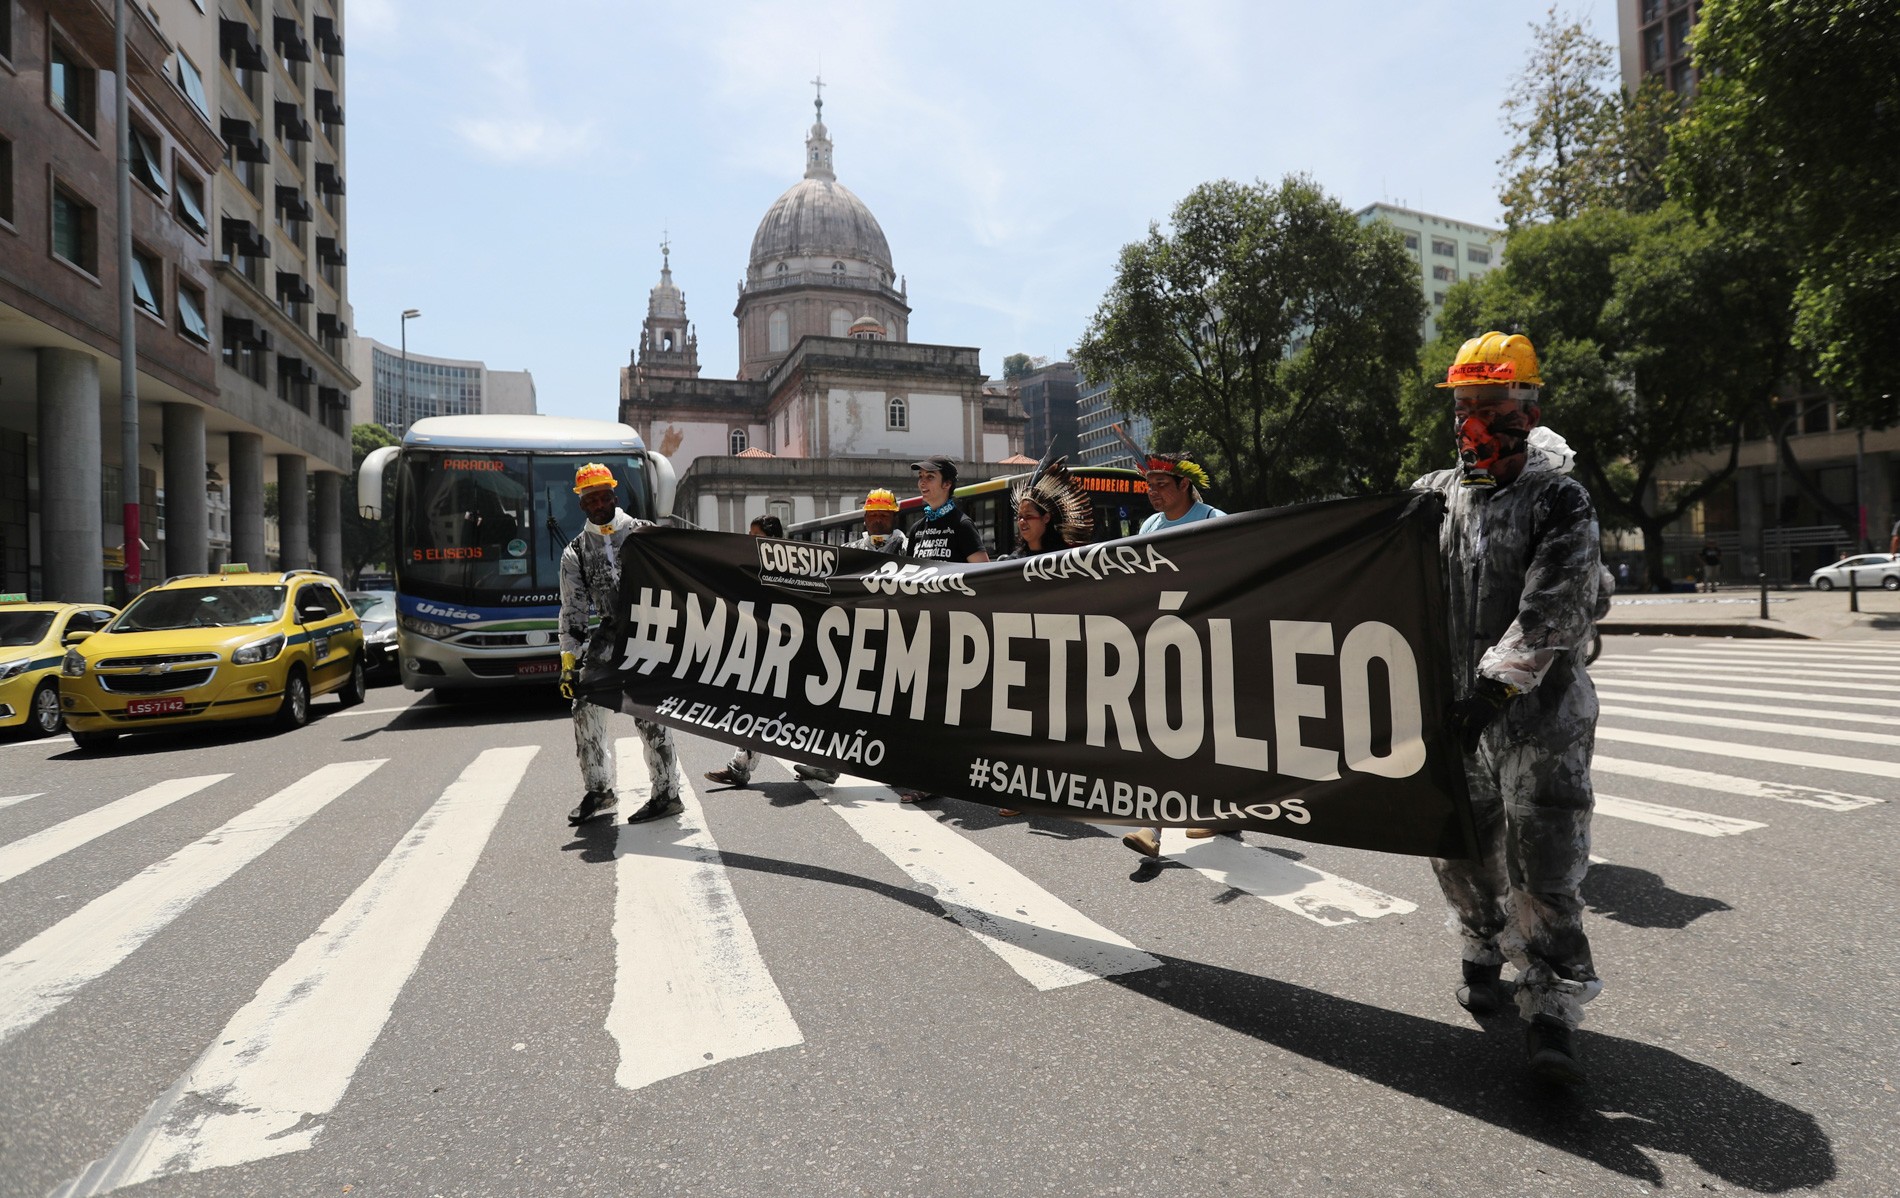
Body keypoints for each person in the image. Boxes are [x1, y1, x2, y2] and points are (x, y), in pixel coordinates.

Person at [1414, 331, 1602, 1085]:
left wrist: (1495, 686)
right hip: (1460, 714)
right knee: (1457, 840)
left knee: (1544, 861)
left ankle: (1551, 1007)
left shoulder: (1559, 497)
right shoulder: (1439, 496)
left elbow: (1556, 604)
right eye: (1463, 404)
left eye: (1490, 404)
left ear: (1527, 405)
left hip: (1538, 720)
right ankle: (1480, 943)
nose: (1474, 420)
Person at [560, 463, 684, 826]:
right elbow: (573, 615)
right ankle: (599, 790)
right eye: (590, 498)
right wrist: (569, 663)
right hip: (610, 636)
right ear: (581, 504)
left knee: (649, 714)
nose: (598, 503)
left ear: (614, 495)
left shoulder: (644, 534)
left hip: (651, 636)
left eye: (603, 495)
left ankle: (666, 794)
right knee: (584, 706)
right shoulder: (576, 553)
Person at [1122, 452, 1225, 858]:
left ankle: (1218, 807)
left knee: (1208, 731)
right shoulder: (1148, 526)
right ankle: (1153, 826)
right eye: (1149, 486)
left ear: (1185, 485)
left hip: (1207, 641)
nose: (1153, 493)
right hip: (1160, 640)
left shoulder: (1215, 522)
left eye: (1162, 485)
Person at [992, 459, 1095, 816]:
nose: (1022, 523)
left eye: (1029, 516)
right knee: (1021, 727)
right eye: (1019, 517)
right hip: (1022, 657)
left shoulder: (1069, 561)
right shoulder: (1008, 562)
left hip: (1060, 654)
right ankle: (1020, 792)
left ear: (1047, 518)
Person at [707, 514, 798, 788]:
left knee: (797, 709)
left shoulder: (792, 567)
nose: (750, 542)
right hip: (764, 650)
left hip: (789, 651)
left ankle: (824, 764)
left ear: (772, 539)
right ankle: (739, 765)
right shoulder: (750, 567)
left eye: (755, 536)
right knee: (757, 706)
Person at [908, 456, 988, 563]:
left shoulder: (963, 525)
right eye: (920, 476)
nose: (922, 482)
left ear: (947, 484)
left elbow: (982, 572)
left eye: (930, 477)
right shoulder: (916, 529)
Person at [845, 488, 910, 556]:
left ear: (895, 519)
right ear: (865, 518)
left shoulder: (910, 549)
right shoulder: (850, 551)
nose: (878, 520)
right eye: (873, 515)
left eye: (884, 515)